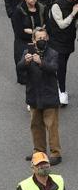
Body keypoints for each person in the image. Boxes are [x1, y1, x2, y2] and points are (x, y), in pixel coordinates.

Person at [18, 27, 62, 163]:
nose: (42, 40)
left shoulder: (53, 53)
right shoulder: (27, 52)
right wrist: (25, 61)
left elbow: (54, 68)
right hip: (34, 96)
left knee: (51, 126)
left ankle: (56, 154)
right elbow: (19, 68)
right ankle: (39, 152)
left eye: (44, 38)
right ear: (34, 40)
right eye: (39, 38)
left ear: (47, 38)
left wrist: (40, 62)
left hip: (49, 96)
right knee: (36, 126)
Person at [47, 0, 78, 105]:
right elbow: (61, 24)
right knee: (61, 67)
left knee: (61, 64)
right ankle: (62, 91)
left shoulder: (75, 5)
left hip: (68, 40)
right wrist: (73, 13)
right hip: (56, 40)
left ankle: (55, 86)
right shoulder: (57, 5)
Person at [11, 0, 47, 84]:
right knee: (23, 64)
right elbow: (19, 31)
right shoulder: (18, 11)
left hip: (39, 42)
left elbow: (46, 24)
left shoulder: (42, 8)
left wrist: (32, 31)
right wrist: (37, 31)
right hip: (23, 42)